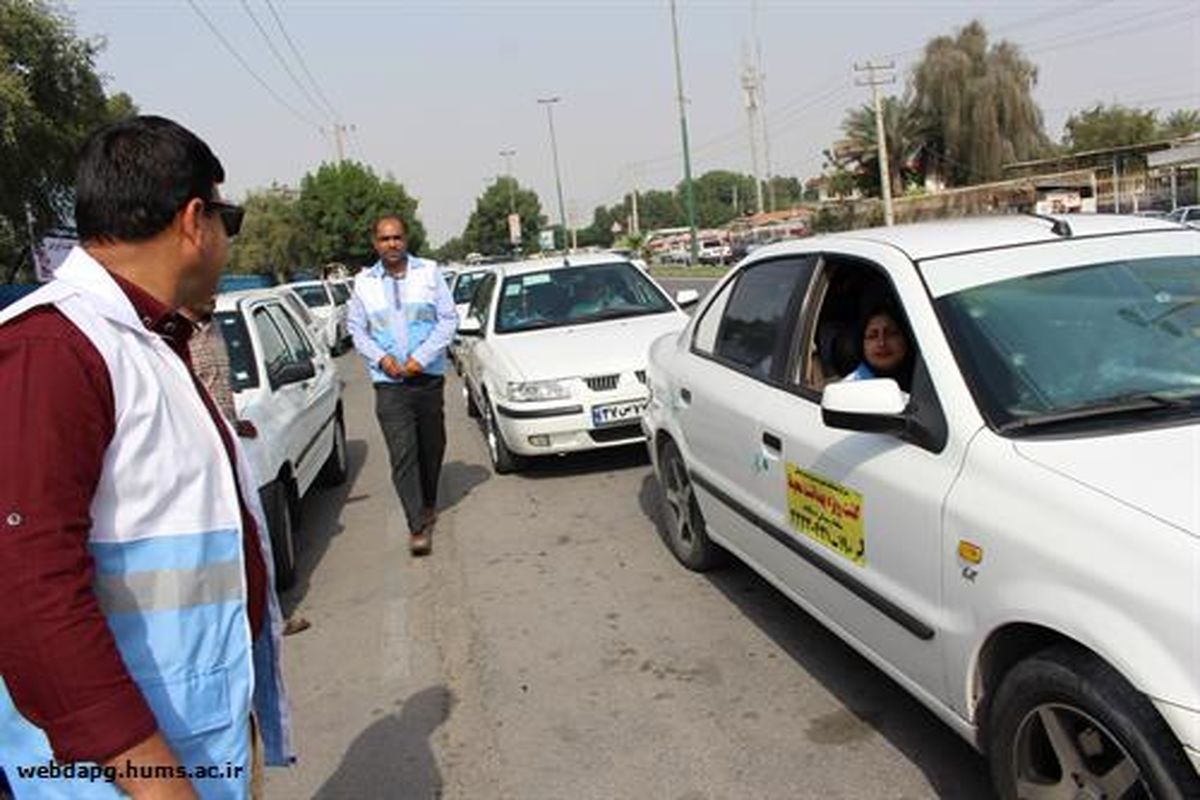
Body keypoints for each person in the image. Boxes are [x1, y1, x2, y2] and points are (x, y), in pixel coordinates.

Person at [0, 116, 292, 799]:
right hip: (119, 777)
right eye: (228, 220)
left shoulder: (143, 341)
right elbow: (26, 590)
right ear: (195, 220)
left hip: (187, 742)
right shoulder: (55, 351)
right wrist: (161, 786)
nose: (224, 243)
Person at [181, 297, 311, 637]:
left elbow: (217, 394)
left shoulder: (214, 329)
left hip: (227, 450)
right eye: (206, 289)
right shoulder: (177, 341)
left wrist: (236, 426)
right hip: (199, 460)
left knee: (249, 541)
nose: (212, 296)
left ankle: (266, 620)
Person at [347, 215, 457, 556]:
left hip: (426, 378)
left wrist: (420, 359)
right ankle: (417, 525)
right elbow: (357, 329)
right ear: (375, 244)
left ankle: (427, 500)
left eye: (396, 238)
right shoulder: (363, 283)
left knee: (431, 445)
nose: (391, 244)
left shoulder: (429, 272)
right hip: (389, 383)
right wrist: (383, 359)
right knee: (402, 453)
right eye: (384, 239)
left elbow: (448, 320)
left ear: (406, 239)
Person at [843, 303, 915, 392]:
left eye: (890, 333)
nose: (882, 343)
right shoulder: (850, 390)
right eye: (872, 336)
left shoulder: (929, 377)